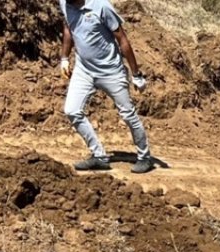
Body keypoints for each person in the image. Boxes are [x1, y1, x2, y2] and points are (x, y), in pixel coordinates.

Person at [59, 0, 154, 174]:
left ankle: (145, 156)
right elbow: (68, 27)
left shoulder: (101, 6)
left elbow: (122, 39)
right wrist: (64, 57)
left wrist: (136, 74)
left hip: (111, 71)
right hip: (84, 70)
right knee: (72, 110)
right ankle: (99, 156)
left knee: (127, 113)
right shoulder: (65, 4)